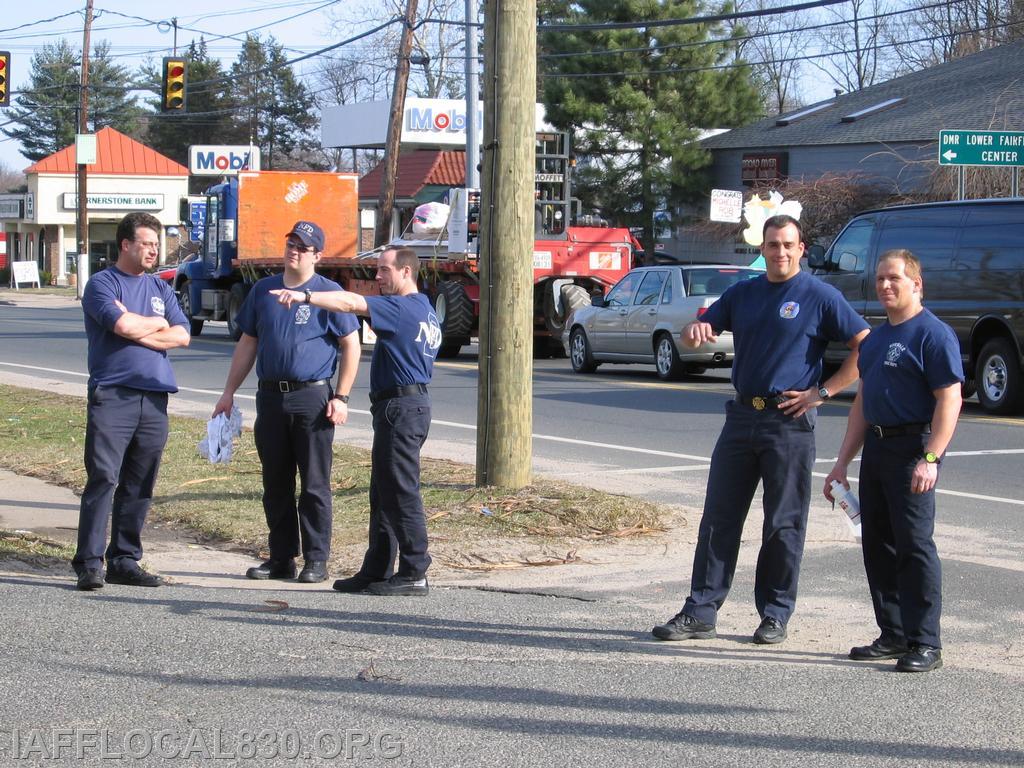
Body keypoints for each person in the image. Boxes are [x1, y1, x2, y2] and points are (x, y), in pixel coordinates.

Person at [653, 214, 870, 644]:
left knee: (783, 523)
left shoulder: (819, 296)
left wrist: (822, 392)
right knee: (719, 516)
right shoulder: (744, 293)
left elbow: (865, 344)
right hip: (741, 418)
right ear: (764, 249)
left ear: (802, 249)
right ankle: (701, 611)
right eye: (773, 245)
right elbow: (700, 331)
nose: (781, 252)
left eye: (789, 245)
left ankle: (774, 613)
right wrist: (696, 332)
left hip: (789, 422)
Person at [270, 247, 441, 596]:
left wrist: (306, 296)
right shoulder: (424, 308)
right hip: (405, 406)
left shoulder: (403, 306)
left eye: (383, 270)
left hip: (402, 407)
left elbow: (349, 304)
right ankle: (377, 569)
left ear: (406, 272)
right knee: (383, 493)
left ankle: (414, 570)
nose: (377, 277)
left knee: (400, 491)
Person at [824, 250, 962, 672]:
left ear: (916, 284)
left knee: (914, 547)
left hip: (911, 451)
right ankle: (894, 633)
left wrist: (931, 458)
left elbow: (949, 399)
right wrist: (842, 463)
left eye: (895, 279)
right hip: (878, 451)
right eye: (881, 278)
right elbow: (863, 405)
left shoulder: (932, 334)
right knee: (877, 544)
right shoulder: (877, 339)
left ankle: (925, 642)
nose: (886, 285)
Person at [213, 221, 361, 584]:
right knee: (275, 483)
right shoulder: (264, 290)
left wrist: (341, 396)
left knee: (313, 483)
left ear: (317, 256)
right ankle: (281, 558)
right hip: (270, 396)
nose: (294, 249)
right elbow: (248, 342)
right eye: (291, 242)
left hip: (311, 396)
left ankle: (316, 559)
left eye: (303, 246)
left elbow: (351, 344)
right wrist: (229, 391)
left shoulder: (329, 293)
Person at [73, 212, 191, 590]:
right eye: (146, 243)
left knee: (140, 483)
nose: (154, 250)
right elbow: (121, 326)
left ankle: (124, 559)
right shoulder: (102, 284)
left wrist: (144, 327)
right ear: (125, 244)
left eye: (157, 244)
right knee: (104, 477)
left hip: (155, 397)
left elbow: (183, 335)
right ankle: (90, 563)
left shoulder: (160, 289)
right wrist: (155, 327)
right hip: (114, 395)